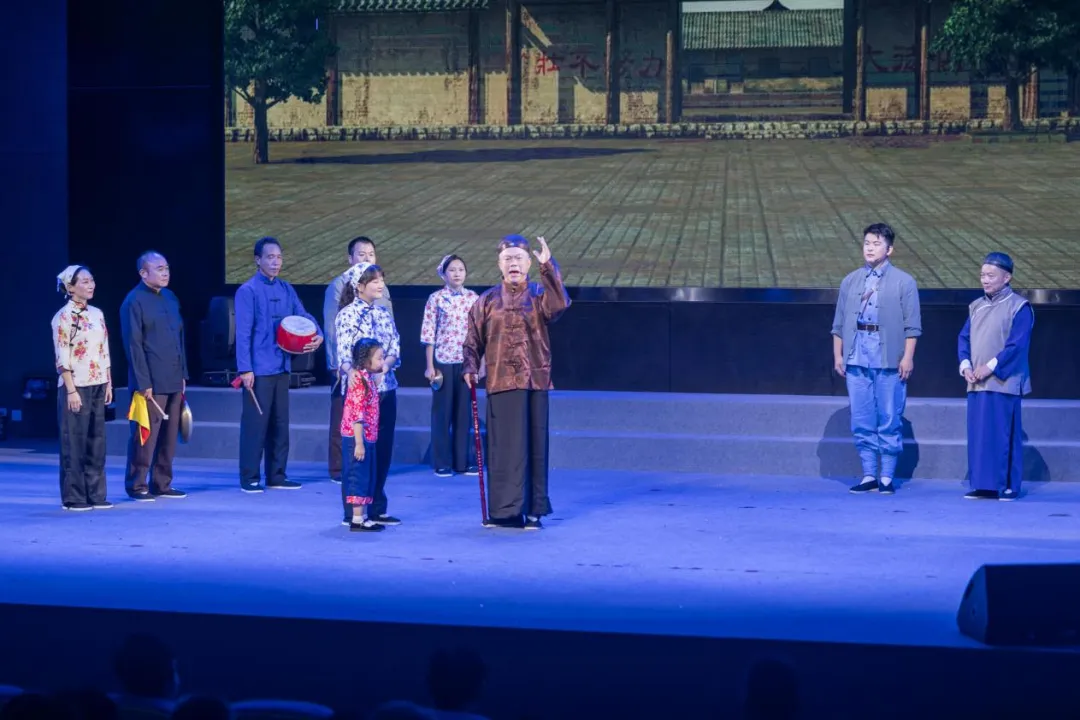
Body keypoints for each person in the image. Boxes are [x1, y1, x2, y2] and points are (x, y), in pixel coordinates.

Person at [462, 235, 570, 530]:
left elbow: (560, 304)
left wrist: (548, 266)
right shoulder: (486, 300)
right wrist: (470, 366)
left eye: (519, 258)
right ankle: (505, 512)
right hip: (500, 380)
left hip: (534, 380)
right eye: (508, 258)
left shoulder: (539, 293)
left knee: (534, 445)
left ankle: (533, 510)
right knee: (504, 449)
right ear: (499, 264)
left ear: (528, 264)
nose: (513, 263)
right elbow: (472, 340)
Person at [830, 223, 921, 495]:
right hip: (856, 355)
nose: (870, 248)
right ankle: (869, 474)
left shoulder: (904, 282)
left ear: (889, 249)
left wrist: (907, 357)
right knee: (861, 417)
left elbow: (912, 327)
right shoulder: (850, 281)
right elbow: (838, 324)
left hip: (889, 358)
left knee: (890, 416)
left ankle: (886, 477)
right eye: (867, 243)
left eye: (876, 244)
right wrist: (838, 355)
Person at [234, 237, 323, 493]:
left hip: (282, 366)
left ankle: (277, 475)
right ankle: (250, 477)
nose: (275, 262)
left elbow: (303, 315)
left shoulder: (286, 289)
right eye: (270, 257)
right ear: (258, 260)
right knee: (255, 425)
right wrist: (245, 369)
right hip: (258, 369)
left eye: (279, 257)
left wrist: (318, 333)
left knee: (280, 424)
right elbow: (243, 333)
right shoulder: (248, 291)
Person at [958, 252, 1034, 501]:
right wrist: (966, 365)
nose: (985, 280)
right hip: (976, 381)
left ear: (1007, 277)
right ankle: (983, 485)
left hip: (1004, 381)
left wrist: (990, 367)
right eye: (982, 275)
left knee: (1004, 434)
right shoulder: (976, 306)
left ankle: (1008, 485)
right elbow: (964, 338)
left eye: (991, 275)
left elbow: (1017, 345)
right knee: (980, 435)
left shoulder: (1019, 307)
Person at [335, 262, 402, 525]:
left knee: (381, 451)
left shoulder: (384, 313)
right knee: (358, 454)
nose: (380, 284)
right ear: (360, 286)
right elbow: (343, 355)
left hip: (385, 389)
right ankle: (353, 512)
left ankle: (376, 507)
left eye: (381, 280)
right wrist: (353, 372)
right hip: (360, 394)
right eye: (374, 280)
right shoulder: (347, 315)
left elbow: (395, 347)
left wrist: (384, 366)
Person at [119, 251, 188, 501]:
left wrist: (183, 374)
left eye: (166, 268)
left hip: (173, 377)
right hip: (150, 381)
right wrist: (143, 382)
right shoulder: (133, 301)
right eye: (159, 269)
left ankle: (162, 482)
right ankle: (137, 485)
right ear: (143, 273)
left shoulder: (170, 297)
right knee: (145, 436)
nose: (165, 272)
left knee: (169, 436)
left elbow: (179, 338)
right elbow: (133, 345)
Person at [324, 237, 393, 484]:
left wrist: (386, 362)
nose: (366, 258)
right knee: (345, 419)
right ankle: (340, 470)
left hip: (378, 373)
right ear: (350, 258)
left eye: (371, 254)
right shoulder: (339, 286)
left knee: (374, 425)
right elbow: (332, 330)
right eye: (361, 254)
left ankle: (371, 477)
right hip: (350, 370)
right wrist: (339, 366)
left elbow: (391, 332)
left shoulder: (381, 290)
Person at [51, 265, 113, 511]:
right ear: (70, 287)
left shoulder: (97, 314)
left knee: (96, 441)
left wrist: (108, 381)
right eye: (85, 282)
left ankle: (96, 494)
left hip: (97, 381)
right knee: (73, 441)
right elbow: (62, 356)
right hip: (75, 385)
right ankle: (74, 496)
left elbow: (104, 349)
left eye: (92, 280)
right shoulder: (63, 317)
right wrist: (71, 390)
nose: (91, 285)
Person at [421, 255, 480, 478]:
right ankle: (442, 462)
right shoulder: (436, 299)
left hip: (466, 363)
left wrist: (479, 364)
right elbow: (428, 333)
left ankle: (462, 462)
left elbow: (479, 334)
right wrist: (429, 366)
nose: (457, 274)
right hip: (443, 362)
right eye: (452, 270)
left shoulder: (473, 298)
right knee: (442, 414)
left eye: (461, 269)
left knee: (464, 414)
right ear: (444, 274)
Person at [341, 338, 385, 532]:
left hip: (368, 436)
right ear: (366, 360)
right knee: (357, 475)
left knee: (367, 475)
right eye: (379, 358)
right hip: (357, 437)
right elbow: (357, 415)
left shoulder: (368, 378)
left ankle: (363, 516)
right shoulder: (359, 380)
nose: (382, 361)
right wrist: (359, 443)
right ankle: (357, 519)